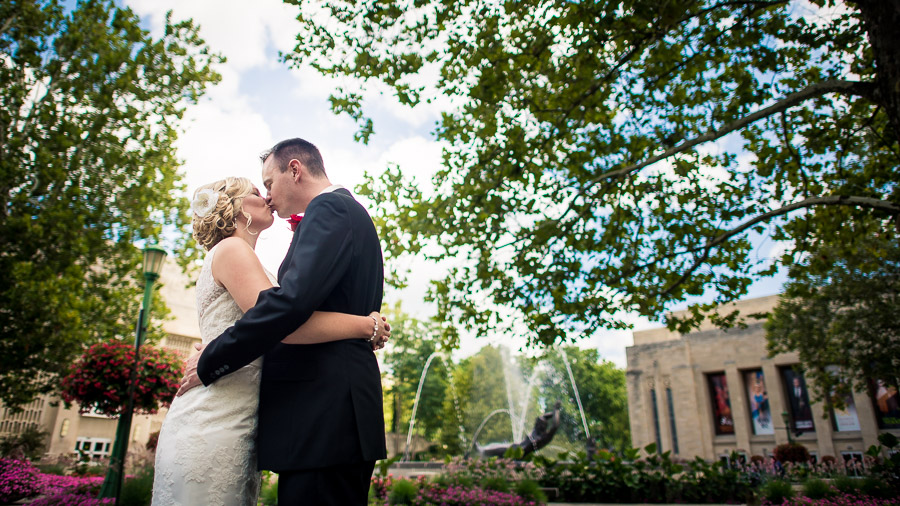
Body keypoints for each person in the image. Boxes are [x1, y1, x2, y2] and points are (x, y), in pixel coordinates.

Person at [151, 177, 389, 506]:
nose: (265, 195)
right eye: (255, 190)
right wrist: (367, 324)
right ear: (236, 210)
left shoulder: (243, 257)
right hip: (218, 415)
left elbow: (277, 316)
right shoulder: (234, 250)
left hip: (238, 415)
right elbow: (284, 322)